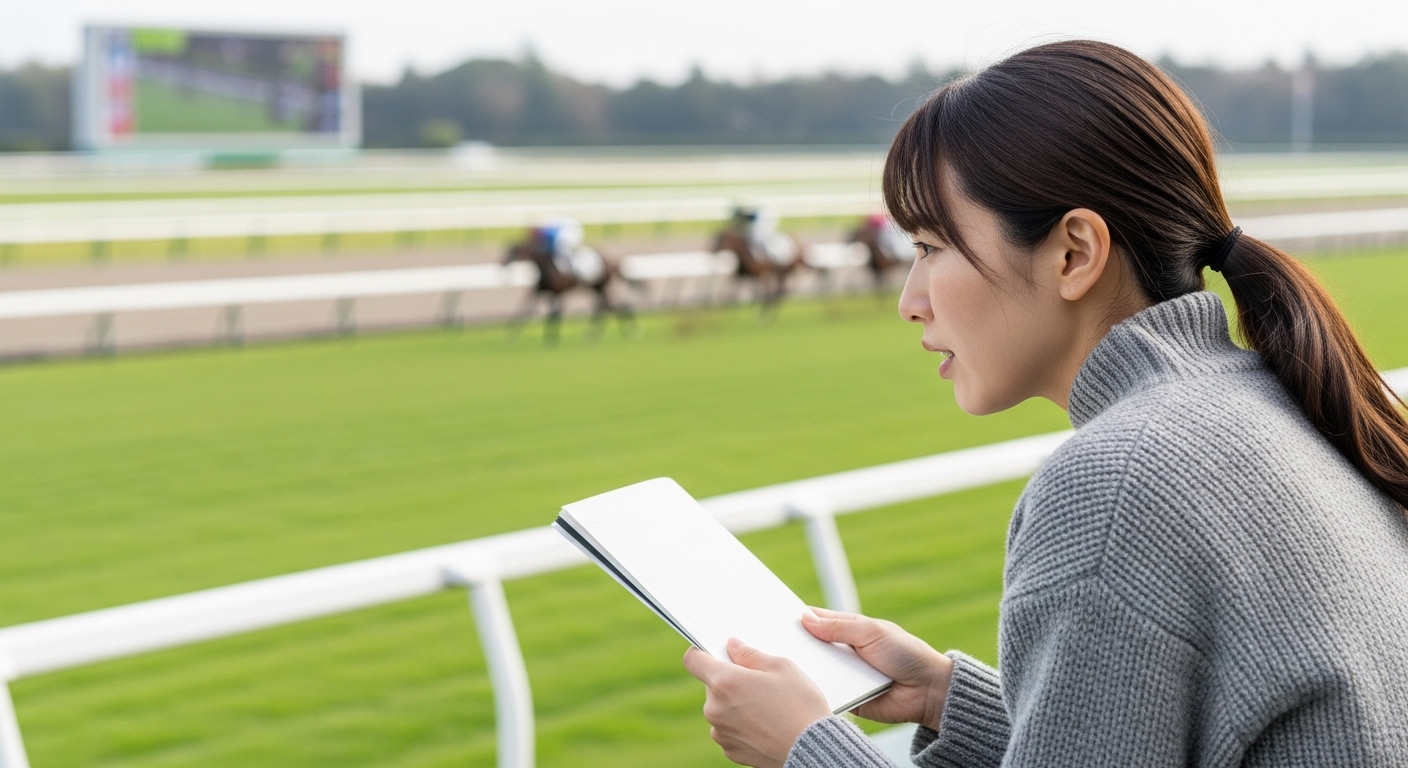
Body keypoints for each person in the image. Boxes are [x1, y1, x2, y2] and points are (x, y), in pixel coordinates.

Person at [682, 40, 1408, 768]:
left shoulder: (1116, 484)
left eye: (932, 247)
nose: (910, 302)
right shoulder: (1268, 400)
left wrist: (806, 749)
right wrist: (945, 698)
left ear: (1074, 254)